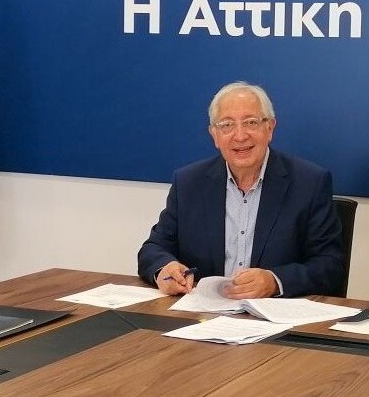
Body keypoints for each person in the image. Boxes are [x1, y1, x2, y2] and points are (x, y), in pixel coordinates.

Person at [138, 82, 344, 299]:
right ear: (214, 135)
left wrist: (275, 281)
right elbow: (153, 248)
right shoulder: (189, 182)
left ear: (270, 128)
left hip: (272, 313)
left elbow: (330, 265)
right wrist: (164, 269)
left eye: (251, 122)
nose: (240, 136)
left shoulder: (309, 182)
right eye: (227, 125)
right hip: (203, 312)